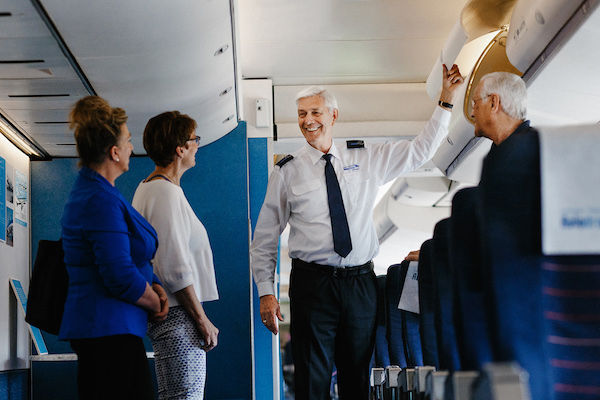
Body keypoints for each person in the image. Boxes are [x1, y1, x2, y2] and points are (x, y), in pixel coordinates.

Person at [251, 64, 464, 399]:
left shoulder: (366, 156)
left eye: (316, 112)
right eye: (302, 113)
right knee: (312, 380)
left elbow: (419, 151)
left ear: (333, 115)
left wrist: (446, 102)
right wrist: (266, 291)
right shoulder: (287, 171)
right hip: (312, 284)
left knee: (356, 379)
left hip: (360, 283)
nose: (309, 120)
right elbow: (264, 237)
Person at [60, 96, 168, 400]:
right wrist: (155, 301)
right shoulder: (99, 200)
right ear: (114, 151)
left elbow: (129, 257)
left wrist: (155, 285)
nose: (133, 147)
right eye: (129, 140)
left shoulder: (102, 193)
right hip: (107, 331)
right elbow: (118, 273)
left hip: (114, 329)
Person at [132, 111, 219, 399]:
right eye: (195, 140)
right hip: (179, 316)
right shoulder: (164, 193)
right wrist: (201, 318)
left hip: (174, 315)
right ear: (180, 148)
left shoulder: (149, 188)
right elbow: (174, 267)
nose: (197, 146)